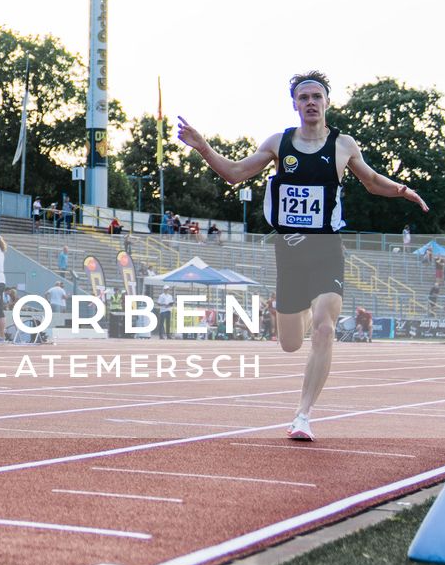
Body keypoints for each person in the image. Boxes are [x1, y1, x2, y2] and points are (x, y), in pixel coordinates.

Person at [178, 70, 429, 442]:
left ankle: (303, 414)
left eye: (316, 96)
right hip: (289, 250)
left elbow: (373, 182)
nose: (310, 102)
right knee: (290, 342)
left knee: (325, 328)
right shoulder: (280, 144)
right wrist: (203, 147)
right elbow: (233, 174)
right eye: (303, 97)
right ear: (295, 104)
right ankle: (302, 313)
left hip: (327, 248)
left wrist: (403, 190)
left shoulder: (344, 146)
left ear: (327, 102)